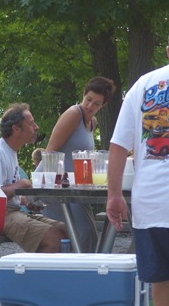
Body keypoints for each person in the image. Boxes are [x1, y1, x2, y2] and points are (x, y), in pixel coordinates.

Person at [106, 35, 169, 306]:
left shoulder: (143, 85)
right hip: (153, 201)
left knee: (161, 278)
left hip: (152, 201)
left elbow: (118, 145)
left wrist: (115, 195)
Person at [0, 103, 67, 252]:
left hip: (11, 212)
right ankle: (30, 268)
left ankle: (41, 265)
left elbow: (7, 192)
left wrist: (25, 201)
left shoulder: (10, 150)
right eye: (31, 124)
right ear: (16, 129)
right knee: (54, 238)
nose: (36, 127)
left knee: (64, 230)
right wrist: (23, 184)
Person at [38, 77, 115, 252]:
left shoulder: (93, 123)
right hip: (56, 183)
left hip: (77, 185)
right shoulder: (73, 114)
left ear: (103, 105)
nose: (90, 106)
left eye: (96, 103)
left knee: (87, 234)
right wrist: (45, 188)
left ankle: (84, 268)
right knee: (70, 236)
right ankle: (72, 268)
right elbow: (50, 152)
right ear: (83, 95)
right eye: (88, 99)